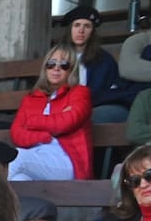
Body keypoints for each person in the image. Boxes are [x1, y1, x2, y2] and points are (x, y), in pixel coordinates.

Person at [8, 45, 94, 181]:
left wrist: (32, 121)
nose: (56, 68)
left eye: (64, 65)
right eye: (51, 63)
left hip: (66, 161)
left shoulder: (79, 92)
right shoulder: (30, 99)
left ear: (71, 70)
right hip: (35, 157)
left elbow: (66, 123)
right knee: (18, 179)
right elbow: (16, 134)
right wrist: (45, 135)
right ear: (45, 68)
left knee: (16, 157)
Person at [62, 6, 125, 121]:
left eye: (87, 26)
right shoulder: (58, 56)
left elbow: (112, 92)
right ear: (70, 29)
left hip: (93, 108)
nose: (81, 30)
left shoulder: (104, 60)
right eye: (77, 25)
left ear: (92, 32)